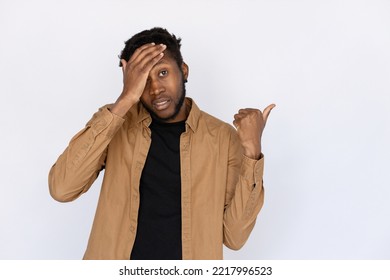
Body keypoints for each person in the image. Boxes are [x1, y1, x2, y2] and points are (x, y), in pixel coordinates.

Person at [48, 27, 275, 260]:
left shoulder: (222, 138)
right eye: (143, 79)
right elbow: (62, 189)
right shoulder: (115, 123)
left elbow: (235, 237)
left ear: (184, 71)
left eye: (163, 72)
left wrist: (251, 153)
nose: (155, 88)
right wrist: (126, 99)